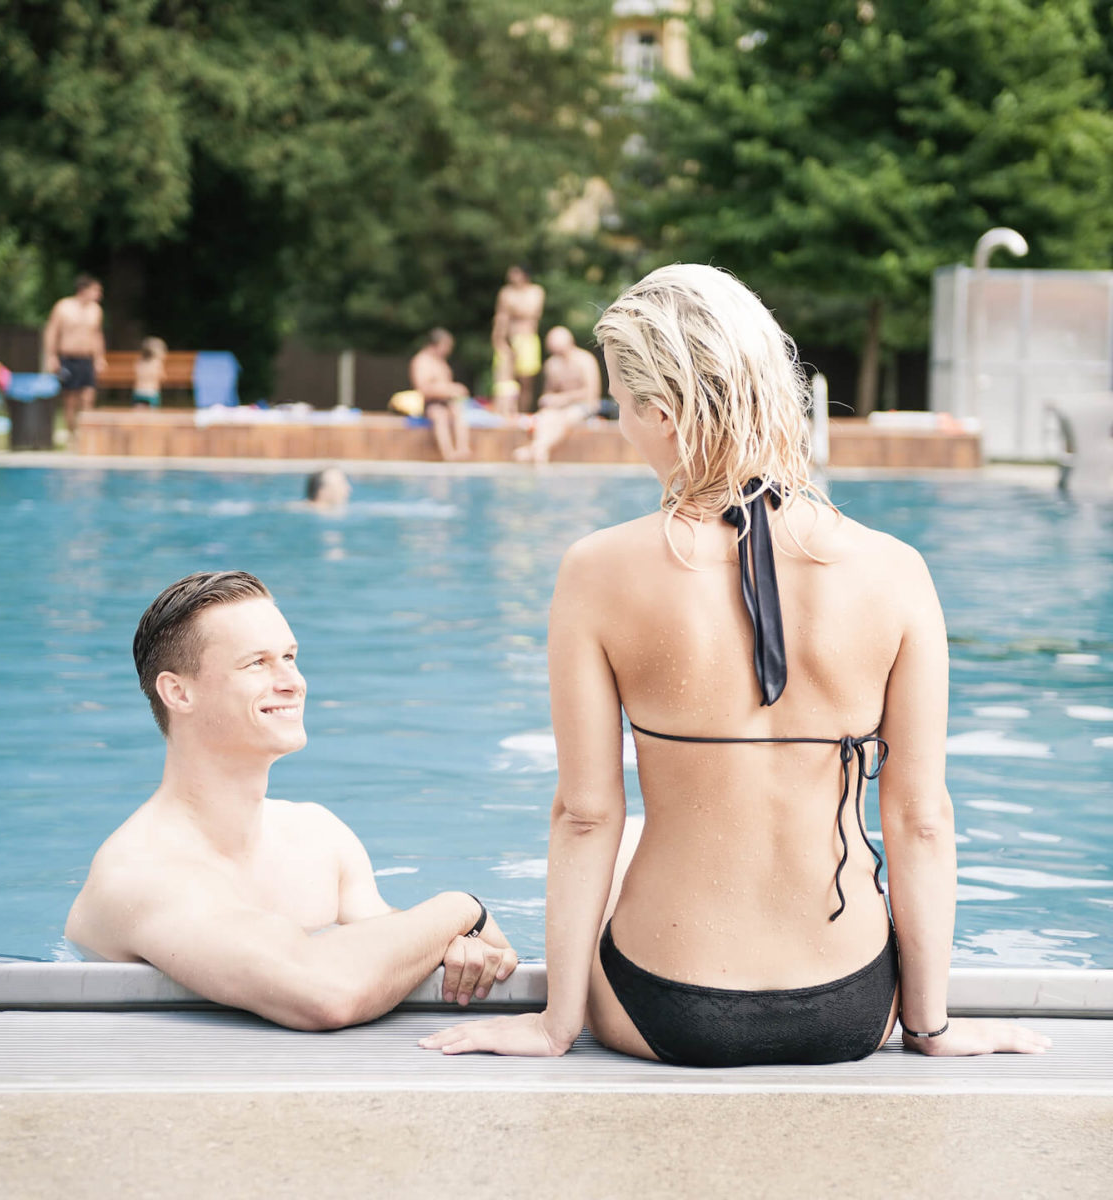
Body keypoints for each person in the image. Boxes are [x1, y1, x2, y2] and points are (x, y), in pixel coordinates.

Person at [422, 264, 1050, 1065]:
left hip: (664, 1004)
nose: (619, 424)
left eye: (620, 404)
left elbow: (585, 815)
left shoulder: (597, 570)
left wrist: (553, 1025)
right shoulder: (897, 570)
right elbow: (921, 820)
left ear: (658, 412)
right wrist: (930, 1027)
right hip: (851, 1005)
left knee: (625, 842)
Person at [65, 571, 517, 1030]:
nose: (292, 682)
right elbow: (324, 994)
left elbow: (395, 941)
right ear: (178, 692)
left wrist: (460, 947)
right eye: (257, 663)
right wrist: (461, 910)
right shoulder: (142, 873)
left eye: (290, 657)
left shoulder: (317, 835)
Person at [513, 326, 605, 465]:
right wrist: (549, 400)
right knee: (545, 416)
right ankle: (539, 449)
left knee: (568, 416)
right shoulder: (551, 364)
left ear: (569, 343)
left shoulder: (585, 360)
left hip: (585, 406)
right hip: (561, 408)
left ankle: (537, 448)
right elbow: (550, 393)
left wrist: (564, 398)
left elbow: (592, 393)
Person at [42, 273, 106, 439]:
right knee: (70, 400)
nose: (99, 295)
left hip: (87, 359)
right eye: (96, 290)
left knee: (88, 397)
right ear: (83, 290)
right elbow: (51, 332)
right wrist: (51, 356)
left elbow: (97, 335)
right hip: (68, 358)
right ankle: (72, 434)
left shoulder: (96, 310)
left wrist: (99, 357)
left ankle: (87, 435)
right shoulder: (63, 307)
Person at [408, 328, 471, 462]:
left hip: (446, 401)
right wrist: (450, 389)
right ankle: (448, 454)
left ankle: (463, 449)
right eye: (447, 346)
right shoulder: (422, 361)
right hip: (430, 403)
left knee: (459, 411)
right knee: (439, 415)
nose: (449, 350)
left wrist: (453, 391)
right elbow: (423, 389)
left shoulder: (441, 362)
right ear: (436, 344)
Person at [492, 265, 546, 417]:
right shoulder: (505, 292)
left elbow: (531, 311)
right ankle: (506, 414)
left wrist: (513, 309)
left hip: (527, 339)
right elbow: (501, 317)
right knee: (505, 380)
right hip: (509, 339)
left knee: (526, 382)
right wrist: (499, 341)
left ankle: (523, 413)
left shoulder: (536, 291)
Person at [132, 337, 168, 408]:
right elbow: (162, 377)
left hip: (138, 392)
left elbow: (136, 373)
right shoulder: (157, 363)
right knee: (152, 414)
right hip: (152, 393)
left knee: (138, 412)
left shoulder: (139, 361)